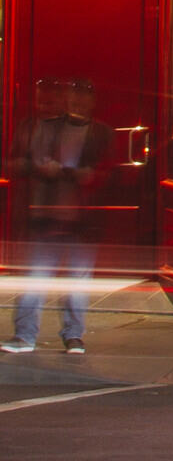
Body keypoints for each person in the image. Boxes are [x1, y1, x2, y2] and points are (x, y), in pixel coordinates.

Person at [5, 78, 101, 355]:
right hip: (45, 216)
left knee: (73, 280)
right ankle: (29, 335)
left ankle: (71, 336)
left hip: (78, 219)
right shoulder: (34, 128)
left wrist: (77, 175)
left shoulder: (92, 132)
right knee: (38, 275)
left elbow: (104, 171)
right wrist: (36, 167)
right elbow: (15, 163)